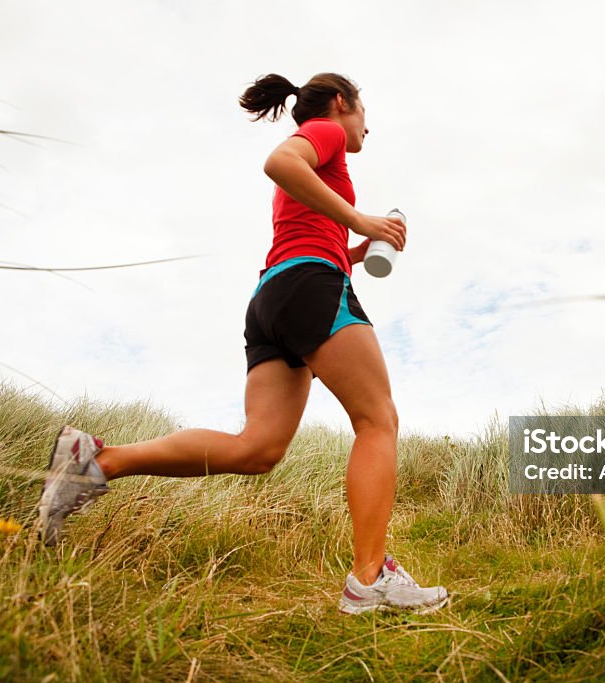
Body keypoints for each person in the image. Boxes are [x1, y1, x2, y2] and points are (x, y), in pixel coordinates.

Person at [36, 72, 449, 615]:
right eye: (364, 110)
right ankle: (369, 579)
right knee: (378, 421)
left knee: (257, 448)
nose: (368, 127)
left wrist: (353, 245)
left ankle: (99, 461)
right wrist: (358, 217)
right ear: (342, 103)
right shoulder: (324, 132)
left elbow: (306, 228)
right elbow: (278, 162)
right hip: (310, 287)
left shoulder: (322, 172)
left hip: (274, 294)